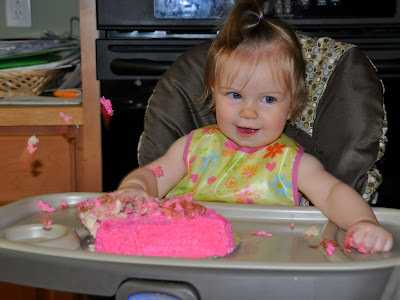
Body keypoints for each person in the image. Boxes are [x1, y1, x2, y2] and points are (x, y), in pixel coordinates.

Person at [112, 0, 393, 253]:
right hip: (189, 259)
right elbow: (152, 176)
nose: (248, 112)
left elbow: (334, 194)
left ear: (292, 105)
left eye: (268, 99)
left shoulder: (294, 163)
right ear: (213, 92)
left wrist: (362, 222)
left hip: (266, 269)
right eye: (235, 95)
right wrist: (133, 190)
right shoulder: (191, 149)